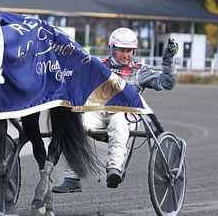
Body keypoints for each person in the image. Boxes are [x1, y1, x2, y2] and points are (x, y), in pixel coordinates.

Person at [52, 27, 179, 193]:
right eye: (122, 51)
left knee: (118, 120)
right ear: (112, 49)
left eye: (130, 51)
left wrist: (168, 61)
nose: (126, 55)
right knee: (75, 125)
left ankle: (114, 169)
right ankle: (72, 178)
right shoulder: (97, 66)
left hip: (126, 115)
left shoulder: (141, 71)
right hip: (98, 112)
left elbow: (167, 83)